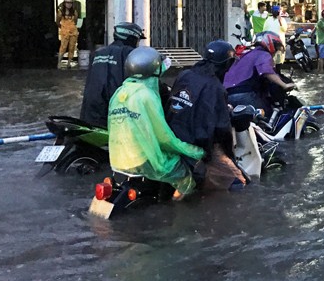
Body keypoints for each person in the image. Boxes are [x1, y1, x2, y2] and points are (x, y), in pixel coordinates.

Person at [108, 47, 204, 201]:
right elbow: (164, 138)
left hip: (117, 160)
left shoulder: (119, 93)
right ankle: (180, 211)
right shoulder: (147, 96)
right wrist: (194, 151)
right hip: (141, 161)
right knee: (186, 176)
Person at [167, 40, 246, 191]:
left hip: (173, 137)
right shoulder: (214, 87)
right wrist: (229, 155)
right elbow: (222, 129)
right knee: (239, 181)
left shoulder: (185, 75)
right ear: (226, 64)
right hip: (196, 144)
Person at [80, 22, 145, 127]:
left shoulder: (97, 53)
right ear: (132, 38)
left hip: (90, 114)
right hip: (116, 114)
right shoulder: (130, 53)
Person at [223, 31, 296, 113]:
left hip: (227, 95)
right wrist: (284, 85)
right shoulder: (263, 54)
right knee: (267, 114)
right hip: (243, 94)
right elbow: (267, 71)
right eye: (276, 47)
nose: (275, 51)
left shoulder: (248, 53)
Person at [56, 0, 79, 68]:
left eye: (70, 3)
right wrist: (62, 27)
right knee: (63, 47)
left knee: (72, 47)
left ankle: (69, 63)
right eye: (67, 3)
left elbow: (75, 21)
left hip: (73, 31)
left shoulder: (74, 12)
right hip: (64, 32)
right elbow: (57, 22)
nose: (69, 4)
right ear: (64, 3)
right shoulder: (60, 12)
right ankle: (59, 63)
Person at [263, 5, 288, 69]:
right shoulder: (268, 20)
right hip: (270, 42)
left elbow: (284, 29)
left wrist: (280, 21)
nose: (275, 13)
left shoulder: (282, 20)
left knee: (279, 59)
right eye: (274, 11)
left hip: (279, 43)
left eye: (277, 11)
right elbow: (264, 30)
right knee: (271, 59)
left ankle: (278, 72)